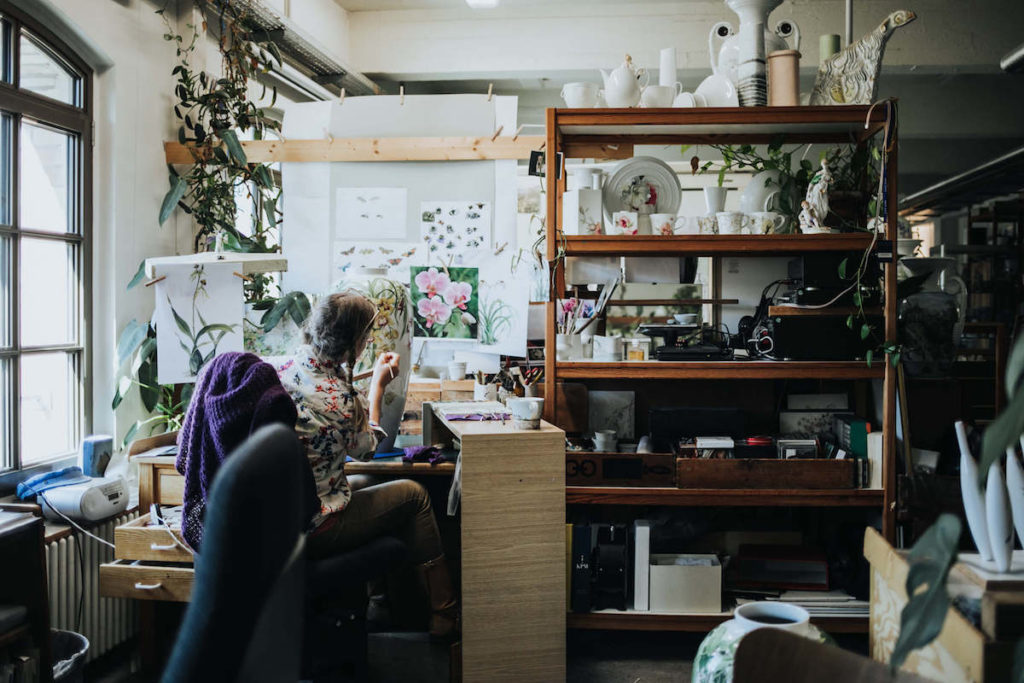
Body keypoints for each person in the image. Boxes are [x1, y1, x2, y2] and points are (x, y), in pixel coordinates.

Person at [275, 291, 457, 638]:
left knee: (372, 482)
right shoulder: (339, 397)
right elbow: (366, 449)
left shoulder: (281, 368)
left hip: (284, 517)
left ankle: (379, 606)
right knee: (414, 496)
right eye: (365, 336)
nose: (368, 341)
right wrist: (376, 387)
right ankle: (445, 613)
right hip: (317, 525)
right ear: (353, 341)